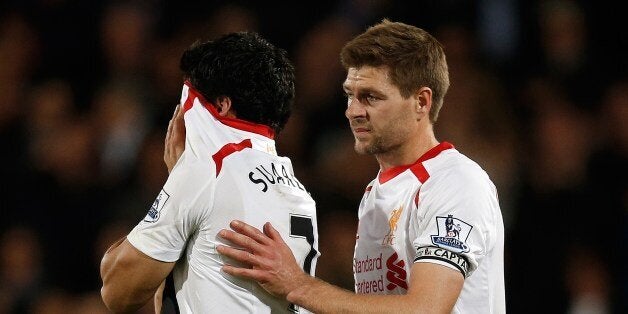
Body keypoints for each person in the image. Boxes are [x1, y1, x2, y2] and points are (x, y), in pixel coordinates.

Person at [216, 19, 506, 313]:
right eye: (350, 95)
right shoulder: (375, 192)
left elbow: (426, 309)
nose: (353, 111)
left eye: (371, 97)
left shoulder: (455, 182)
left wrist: (298, 285)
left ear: (421, 101)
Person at [99, 31, 319, 313]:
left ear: (221, 105)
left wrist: (178, 177)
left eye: (187, 99)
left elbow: (118, 291)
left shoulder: (208, 171)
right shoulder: (299, 191)